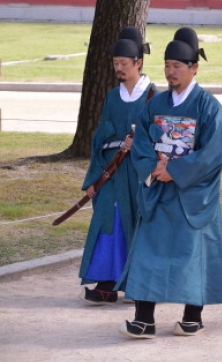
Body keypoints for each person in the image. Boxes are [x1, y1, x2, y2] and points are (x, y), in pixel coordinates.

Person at [118, 27, 222, 339]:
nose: (170, 72)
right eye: (167, 65)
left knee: (192, 254)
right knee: (147, 253)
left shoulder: (208, 107)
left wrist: (177, 171)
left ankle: (192, 315)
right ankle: (144, 318)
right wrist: (154, 169)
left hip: (191, 194)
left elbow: (213, 154)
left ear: (194, 68)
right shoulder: (155, 104)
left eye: (177, 66)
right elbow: (141, 142)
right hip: (159, 189)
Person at [78, 26, 155, 305]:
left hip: (136, 174)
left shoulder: (154, 97)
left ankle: (137, 283)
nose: (119, 68)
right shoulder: (112, 96)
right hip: (110, 173)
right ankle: (107, 283)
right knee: (107, 222)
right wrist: (93, 180)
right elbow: (100, 137)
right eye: (115, 63)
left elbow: (161, 137)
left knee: (136, 224)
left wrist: (142, 147)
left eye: (124, 63)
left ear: (139, 63)